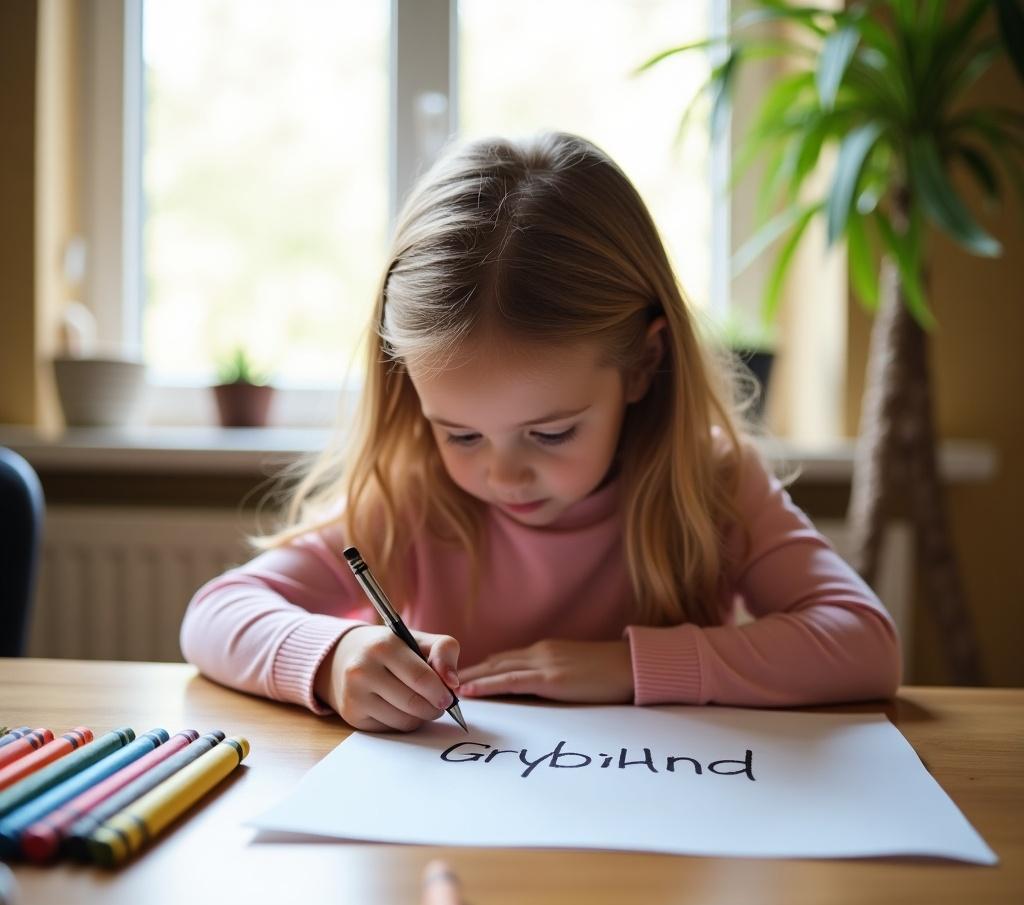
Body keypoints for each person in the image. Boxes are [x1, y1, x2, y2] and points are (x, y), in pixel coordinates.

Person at [180, 132, 900, 732]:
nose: (502, 474)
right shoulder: (412, 499)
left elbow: (865, 644)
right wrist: (334, 657)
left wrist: (630, 668)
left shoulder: (713, 484)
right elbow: (215, 615)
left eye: (551, 433)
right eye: (460, 435)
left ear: (644, 364)